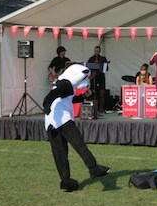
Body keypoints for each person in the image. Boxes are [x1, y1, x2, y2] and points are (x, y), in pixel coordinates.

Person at [43, 64, 110, 192]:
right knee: (79, 144)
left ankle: (66, 181)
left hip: (50, 122)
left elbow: (66, 99)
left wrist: (83, 97)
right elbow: (51, 97)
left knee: (60, 153)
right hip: (63, 120)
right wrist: (46, 103)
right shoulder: (66, 84)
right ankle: (94, 168)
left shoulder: (63, 85)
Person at [88, 46, 109, 113]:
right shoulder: (91, 59)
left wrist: (102, 67)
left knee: (102, 93)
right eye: (95, 51)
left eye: (98, 51)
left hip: (101, 78)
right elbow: (88, 68)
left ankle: (101, 108)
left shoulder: (103, 59)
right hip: (93, 78)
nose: (96, 52)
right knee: (93, 93)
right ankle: (93, 108)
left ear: (100, 51)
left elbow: (106, 68)